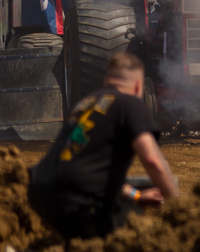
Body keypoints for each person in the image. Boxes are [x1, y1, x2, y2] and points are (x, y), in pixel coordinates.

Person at [26, 52, 178, 241]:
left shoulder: (85, 103)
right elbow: (152, 160)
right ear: (139, 85)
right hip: (75, 196)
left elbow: (94, 171)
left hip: (40, 189)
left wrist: (137, 197)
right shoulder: (129, 103)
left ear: (107, 80)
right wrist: (177, 203)